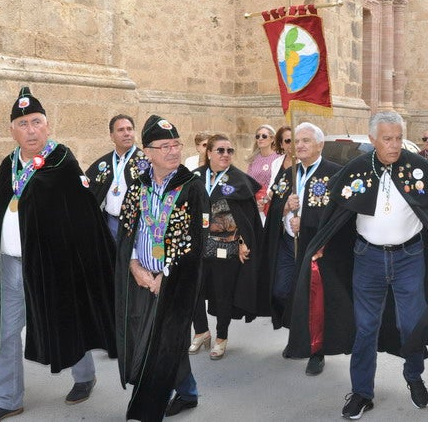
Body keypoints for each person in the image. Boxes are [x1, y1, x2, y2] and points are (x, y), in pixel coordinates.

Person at [285, 111, 428, 420]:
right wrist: (317, 242)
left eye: (399, 138)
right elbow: (334, 217)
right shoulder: (357, 170)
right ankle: (362, 391)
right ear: (373, 139)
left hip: (409, 259)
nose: (394, 145)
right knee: (365, 328)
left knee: (411, 324)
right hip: (367, 259)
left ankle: (414, 376)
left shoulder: (417, 169)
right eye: (387, 139)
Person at [0, 87, 116, 422]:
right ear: (12, 130)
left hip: (52, 265)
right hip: (10, 264)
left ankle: (84, 376)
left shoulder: (62, 161)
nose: (31, 129)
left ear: (48, 126)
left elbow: (82, 217)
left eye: (36, 122)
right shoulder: (6, 165)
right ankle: (7, 399)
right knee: (5, 330)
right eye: (23, 123)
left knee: (64, 319)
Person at [115, 115, 209, 420]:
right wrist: (133, 266)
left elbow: (194, 242)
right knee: (162, 340)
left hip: (174, 280)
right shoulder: (138, 186)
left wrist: (164, 278)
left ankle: (145, 410)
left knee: (163, 342)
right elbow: (127, 229)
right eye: (164, 146)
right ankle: (188, 391)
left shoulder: (191, 188)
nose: (172, 151)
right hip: (141, 277)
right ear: (148, 151)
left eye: (176, 144)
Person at [264, 122, 341, 376]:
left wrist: (305, 221)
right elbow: (272, 205)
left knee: (314, 300)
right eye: (297, 141)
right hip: (288, 245)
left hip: (316, 250)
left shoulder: (334, 174)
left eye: (306, 141)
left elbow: (336, 217)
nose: (300, 146)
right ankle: (298, 335)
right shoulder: (289, 173)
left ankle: (316, 352)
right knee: (281, 291)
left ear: (320, 145)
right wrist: (285, 208)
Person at [191, 134, 261, 360]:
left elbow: (248, 217)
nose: (225, 155)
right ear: (209, 152)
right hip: (197, 248)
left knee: (223, 295)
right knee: (194, 291)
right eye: (220, 150)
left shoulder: (239, 179)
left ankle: (221, 338)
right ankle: (201, 331)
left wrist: (243, 242)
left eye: (230, 151)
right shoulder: (195, 177)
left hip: (226, 248)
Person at [85, 114, 149, 242]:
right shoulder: (103, 163)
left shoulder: (146, 162)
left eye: (129, 129)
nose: (127, 133)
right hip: (111, 223)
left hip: (137, 226)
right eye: (121, 130)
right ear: (111, 136)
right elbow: (88, 192)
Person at [246, 124, 281, 223]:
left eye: (264, 136)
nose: (260, 138)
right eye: (258, 136)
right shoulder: (253, 159)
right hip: (254, 204)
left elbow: (279, 184)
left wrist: (265, 201)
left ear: (272, 139)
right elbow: (248, 183)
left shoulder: (279, 158)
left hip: (271, 204)